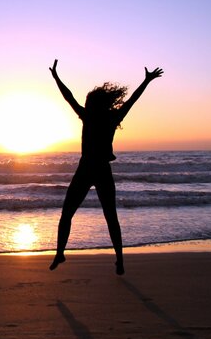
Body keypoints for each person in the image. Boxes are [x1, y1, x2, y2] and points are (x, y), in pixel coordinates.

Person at [48, 59, 163, 275]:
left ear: (93, 102)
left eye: (88, 100)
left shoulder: (89, 115)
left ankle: (61, 253)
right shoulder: (111, 117)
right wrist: (146, 81)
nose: (86, 101)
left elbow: (68, 97)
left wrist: (56, 77)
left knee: (69, 214)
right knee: (110, 216)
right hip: (100, 170)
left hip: (88, 169)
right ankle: (118, 260)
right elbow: (132, 101)